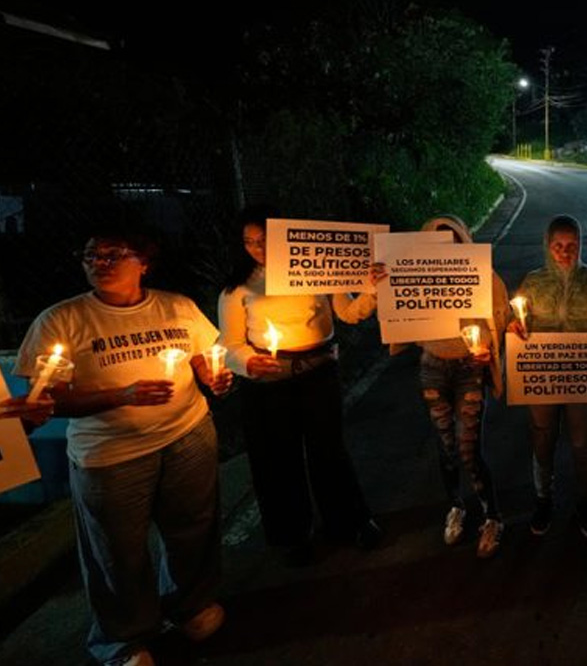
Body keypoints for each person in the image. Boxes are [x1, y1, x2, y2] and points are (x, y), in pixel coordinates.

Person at [15, 223, 232, 666]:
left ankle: (190, 604)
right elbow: (47, 401)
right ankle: (123, 638)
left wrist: (213, 377)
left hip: (186, 435)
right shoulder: (61, 320)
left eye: (114, 254)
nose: (100, 263)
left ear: (144, 263)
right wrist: (122, 395)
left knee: (193, 527)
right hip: (109, 455)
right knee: (115, 550)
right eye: (92, 255)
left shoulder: (178, 306)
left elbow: (203, 357)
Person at [218, 205, 382, 566]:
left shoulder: (317, 269)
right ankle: (293, 536)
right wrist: (247, 361)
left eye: (264, 240)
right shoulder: (238, 289)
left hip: (318, 375)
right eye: (248, 242)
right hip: (266, 383)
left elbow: (349, 314)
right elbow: (228, 344)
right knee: (279, 459)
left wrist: (371, 290)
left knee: (329, 450)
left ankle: (349, 521)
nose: (257, 248)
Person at [394, 215, 510, 558]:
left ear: (464, 239)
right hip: (432, 366)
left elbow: (501, 318)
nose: (448, 247)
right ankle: (456, 506)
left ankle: (493, 516)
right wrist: (378, 285)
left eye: (454, 239)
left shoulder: (484, 276)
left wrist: (490, 347)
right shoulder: (413, 272)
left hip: (468, 369)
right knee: (445, 445)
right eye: (438, 241)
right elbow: (387, 308)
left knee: (467, 446)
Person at [508, 215, 587, 538]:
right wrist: (514, 326)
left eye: (572, 245)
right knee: (543, 438)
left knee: (583, 442)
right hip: (542, 377)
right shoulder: (534, 280)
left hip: (583, 378)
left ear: (580, 245)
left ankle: (584, 500)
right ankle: (543, 498)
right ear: (548, 245)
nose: (565, 252)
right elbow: (517, 320)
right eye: (558, 245)